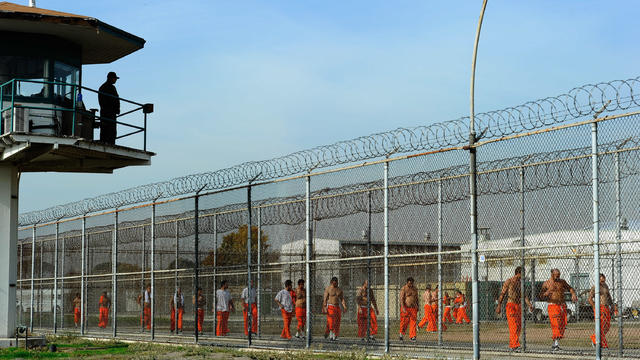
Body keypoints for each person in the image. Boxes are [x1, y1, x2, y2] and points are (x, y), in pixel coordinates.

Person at [496, 267, 534, 352]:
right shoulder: (509, 281)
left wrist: (529, 305)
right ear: (518, 273)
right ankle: (515, 345)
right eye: (523, 273)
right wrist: (499, 305)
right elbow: (502, 293)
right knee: (513, 325)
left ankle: (513, 344)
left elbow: (524, 296)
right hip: (511, 305)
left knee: (519, 326)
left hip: (518, 306)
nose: (524, 275)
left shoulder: (521, 283)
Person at [539, 269, 577, 351]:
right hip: (552, 305)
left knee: (562, 325)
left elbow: (570, 288)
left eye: (559, 275)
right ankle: (556, 344)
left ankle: (555, 343)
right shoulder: (546, 283)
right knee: (556, 324)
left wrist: (573, 294)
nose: (558, 277)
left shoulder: (562, 282)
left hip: (562, 305)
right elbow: (540, 295)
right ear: (552, 274)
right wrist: (546, 293)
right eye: (556, 275)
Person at [589, 273, 615, 349]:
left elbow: (609, 296)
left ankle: (594, 338)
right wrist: (595, 307)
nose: (603, 282)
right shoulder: (595, 287)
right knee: (601, 326)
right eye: (601, 281)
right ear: (598, 280)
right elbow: (590, 299)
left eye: (604, 280)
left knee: (607, 326)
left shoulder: (605, 286)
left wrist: (612, 305)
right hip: (599, 307)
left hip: (606, 307)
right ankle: (602, 344)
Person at [98, 72, 120, 145]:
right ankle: (109, 143)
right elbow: (115, 99)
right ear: (110, 78)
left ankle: (105, 142)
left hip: (107, 112)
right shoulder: (108, 88)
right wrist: (116, 109)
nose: (115, 80)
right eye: (115, 78)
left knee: (106, 130)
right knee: (110, 130)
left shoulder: (102, 87)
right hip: (109, 113)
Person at [322, 276, 347, 341]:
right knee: (331, 321)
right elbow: (325, 299)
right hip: (330, 306)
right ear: (331, 282)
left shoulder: (339, 290)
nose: (336, 284)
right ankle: (331, 334)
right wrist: (324, 307)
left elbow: (342, 299)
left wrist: (344, 306)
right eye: (334, 283)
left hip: (337, 307)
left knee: (337, 322)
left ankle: (335, 335)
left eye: (337, 282)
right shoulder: (328, 289)